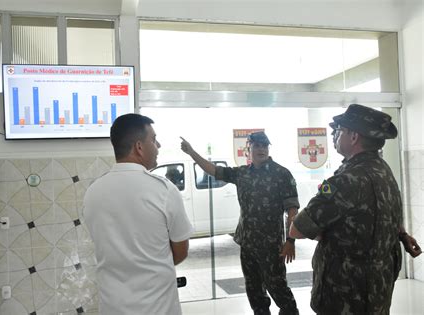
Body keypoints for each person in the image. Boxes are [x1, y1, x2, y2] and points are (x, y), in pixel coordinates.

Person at [290, 104, 422, 314]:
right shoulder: (383, 170)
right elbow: (383, 214)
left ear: (353, 137)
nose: (335, 135)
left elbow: (297, 229)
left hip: (345, 293)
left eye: (339, 130)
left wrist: (325, 232)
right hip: (378, 289)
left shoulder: (346, 180)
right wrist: (402, 233)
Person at [84, 113, 193, 315]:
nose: (158, 145)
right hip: (158, 308)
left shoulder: (93, 191)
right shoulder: (164, 190)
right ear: (139, 147)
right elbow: (180, 251)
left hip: (112, 308)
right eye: (153, 139)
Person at [181, 132, 300, 315]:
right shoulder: (242, 174)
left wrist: (290, 241)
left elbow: (292, 210)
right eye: (257, 146)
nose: (261, 149)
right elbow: (214, 170)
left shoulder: (282, 174)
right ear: (249, 149)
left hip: (271, 246)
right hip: (247, 244)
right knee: (254, 291)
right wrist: (192, 153)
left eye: (265, 146)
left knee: (278, 289)